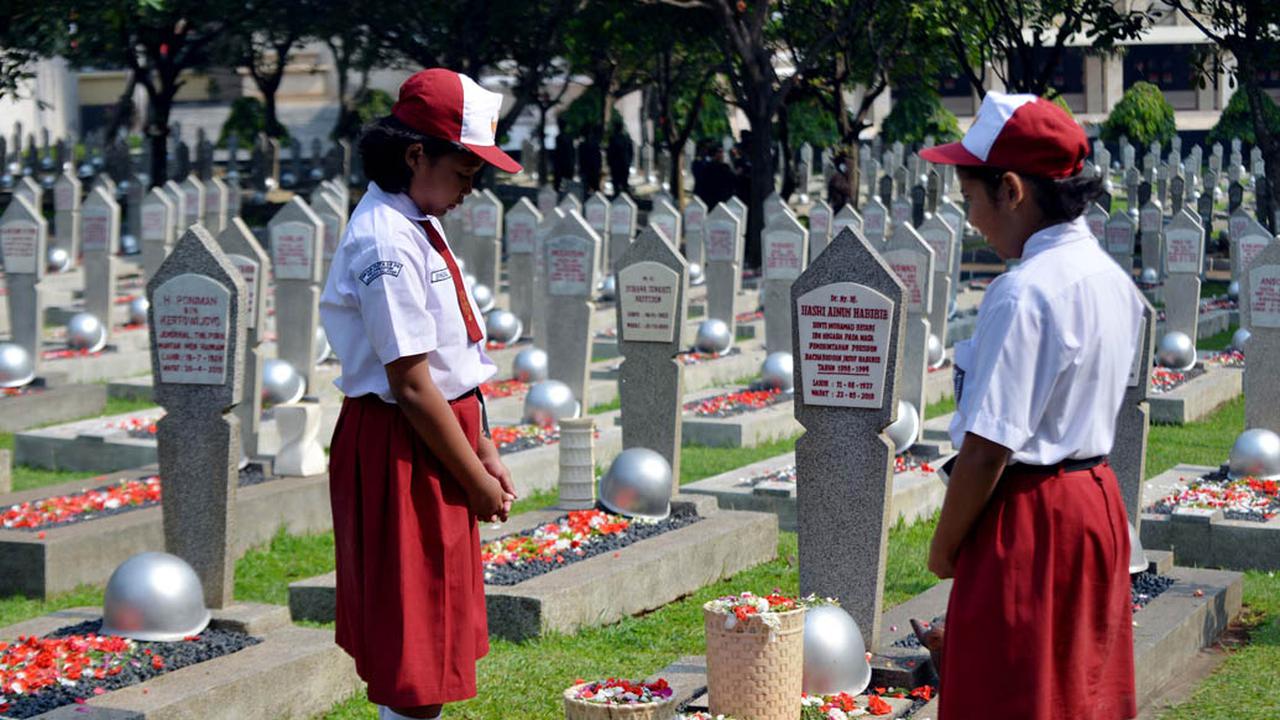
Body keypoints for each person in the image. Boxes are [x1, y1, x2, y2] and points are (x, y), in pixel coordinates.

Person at [917, 91, 1141, 720]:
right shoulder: (1106, 277)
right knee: (1079, 694)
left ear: (1011, 190)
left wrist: (944, 546)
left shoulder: (1022, 293)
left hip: (1031, 519)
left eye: (971, 200)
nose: (972, 220)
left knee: (1010, 695)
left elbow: (989, 447)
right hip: (1093, 504)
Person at [319, 68, 522, 720]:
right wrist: (476, 482)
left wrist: (482, 442)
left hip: (438, 437)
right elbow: (409, 384)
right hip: (402, 445)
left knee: (431, 640)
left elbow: (450, 357)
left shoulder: (416, 221)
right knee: (414, 650)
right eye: (464, 173)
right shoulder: (385, 238)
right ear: (416, 155)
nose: (470, 189)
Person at [606, 120, 634, 196]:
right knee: (623, 183)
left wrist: (609, 163)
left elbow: (610, 152)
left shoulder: (613, 139)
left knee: (617, 184)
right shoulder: (625, 139)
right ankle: (625, 197)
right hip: (623, 164)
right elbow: (631, 152)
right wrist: (629, 162)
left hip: (617, 165)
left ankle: (619, 197)